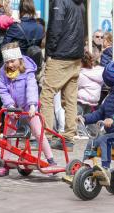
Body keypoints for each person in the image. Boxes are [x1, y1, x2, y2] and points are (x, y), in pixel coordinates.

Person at [0, 42, 55, 176]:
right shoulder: (4, 72)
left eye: (12, 61)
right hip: (13, 109)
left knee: (38, 132)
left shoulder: (28, 71)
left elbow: (32, 87)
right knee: (7, 134)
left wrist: (33, 104)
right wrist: (10, 106)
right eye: (7, 62)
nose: (10, 65)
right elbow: (3, 90)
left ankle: (51, 159)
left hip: (29, 107)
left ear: (19, 59)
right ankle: (5, 162)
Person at [40, 0, 85, 152]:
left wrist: (49, 53)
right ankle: (69, 138)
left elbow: (55, 28)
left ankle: (45, 136)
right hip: (75, 57)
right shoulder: (79, 3)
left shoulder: (60, 1)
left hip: (61, 56)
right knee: (70, 99)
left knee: (47, 95)